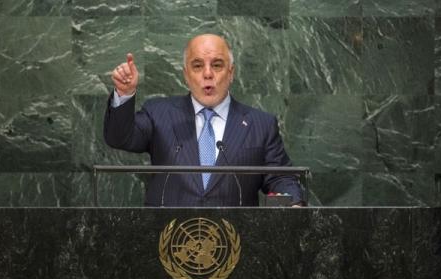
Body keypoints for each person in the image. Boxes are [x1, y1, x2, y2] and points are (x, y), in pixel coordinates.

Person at [104, 34, 304, 207]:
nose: (208, 74)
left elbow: (281, 177)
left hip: (234, 242)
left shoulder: (260, 125)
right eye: (197, 66)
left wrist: (292, 202)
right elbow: (119, 137)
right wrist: (124, 94)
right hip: (168, 240)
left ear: (231, 73)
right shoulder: (159, 113)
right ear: (186, 75)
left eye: (217, 65)